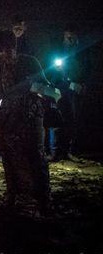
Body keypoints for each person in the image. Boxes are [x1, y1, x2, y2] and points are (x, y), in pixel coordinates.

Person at [0, 29, 53, 215]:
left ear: (14, 47)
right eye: (1, 51)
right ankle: (12, 194)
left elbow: (45, 86)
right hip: (8, 117)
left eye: (8, 49)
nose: (5, 53)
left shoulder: (29, 62)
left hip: (30, 115)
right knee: (9, 157)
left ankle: (43, 199)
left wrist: (29, 87)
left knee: (36, 156)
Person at [50, 24, 89, 161]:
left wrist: (81, 84)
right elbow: (52, 70)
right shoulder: (59, 52)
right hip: (61, 88)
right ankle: (55, 151)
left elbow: (87, 70)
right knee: (56, 118)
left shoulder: (83, 52)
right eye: (68, 37)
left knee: (72, 120)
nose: (70, 40)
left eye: (72, 37)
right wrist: (55, 83)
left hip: (75, 89)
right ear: (64, 38)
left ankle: (68, 151)